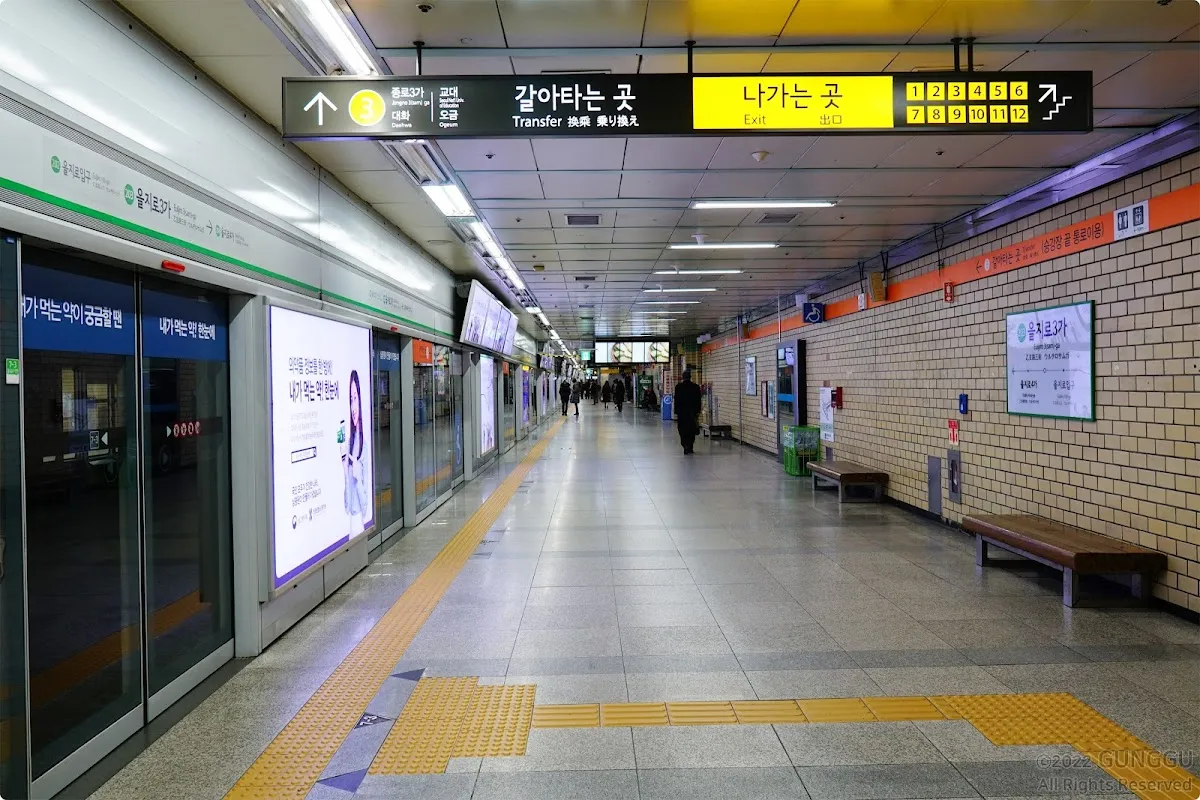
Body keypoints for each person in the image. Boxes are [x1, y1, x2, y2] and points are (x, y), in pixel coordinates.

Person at [343, 369, 370, 533]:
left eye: (355, 398)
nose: (353, 406)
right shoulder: (350, 443)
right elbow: (346, 506)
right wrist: (346, 474)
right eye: (350, 399)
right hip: (351, 528)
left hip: (359, 524)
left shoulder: (364, 447)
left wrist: (358, 479)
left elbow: (365, 505)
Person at [673, 369, 702, 455]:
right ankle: (690, 445)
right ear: (690, 377)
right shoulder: (696, 387)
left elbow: (676, 400)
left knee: (682, 429)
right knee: (691, 429)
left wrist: (676, 411)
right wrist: (698, 411)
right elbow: (698, 400)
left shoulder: (678, 387)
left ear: (682, 377)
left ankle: (685, 444)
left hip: (682, 413)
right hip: (692, 412)